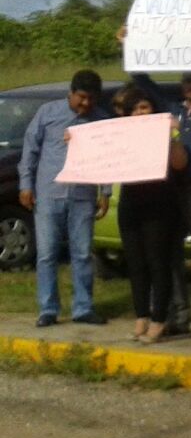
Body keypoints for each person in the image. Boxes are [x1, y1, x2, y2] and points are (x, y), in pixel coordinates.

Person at [126, 21, 191, 340]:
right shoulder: (170, 107)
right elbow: (141, 80)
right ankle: (177, 315)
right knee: (167, 255)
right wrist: (129, 44)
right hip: (169, 189)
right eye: (188, 80)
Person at [18, 70, 110, 327]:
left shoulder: (101, 120)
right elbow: (30, 150)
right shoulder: (48, 113)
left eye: (91, 99)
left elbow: (107, 160)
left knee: (81, 253)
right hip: (49, 195)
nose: (85, 104)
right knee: (47, 254)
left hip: (83, 195)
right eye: (81, 98)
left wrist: (105, 192)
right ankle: (48, 309)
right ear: (70, 93)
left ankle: (83, 307)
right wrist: (26, 185)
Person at [113, 88, 188, 343]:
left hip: (160, 204)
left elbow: (180, 164)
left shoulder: (166, 133)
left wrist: (173, 135)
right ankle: (141, 315)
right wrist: (78, 141)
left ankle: (159, 319)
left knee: (158, 263)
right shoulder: (121, 135)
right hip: (130, 203)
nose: (140, 113)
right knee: (136, 264)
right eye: (135, 109)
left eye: (144, 108)